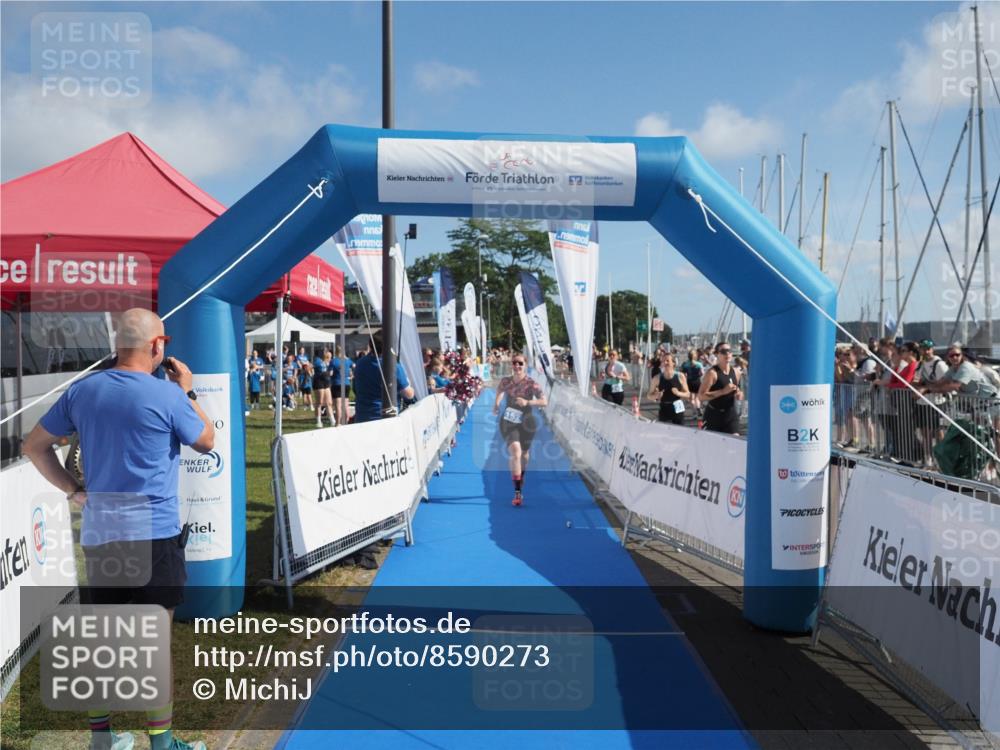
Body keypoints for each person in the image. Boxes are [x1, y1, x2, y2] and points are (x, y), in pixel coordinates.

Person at [22, 308, 214, 750]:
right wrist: (188, 391)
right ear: (157, 346)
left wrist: (74, 491)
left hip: (102, 533)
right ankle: (162, 744)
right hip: (155, 534)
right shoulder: (167, 396)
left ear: (117, 344)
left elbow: (33, 446)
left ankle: (102, 740)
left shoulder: (83, 390)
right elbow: (206, 440)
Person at [493, 353, 547, 507]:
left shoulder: (531, 383)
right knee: (515, 452)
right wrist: (496, 404)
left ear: (525, 365)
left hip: (527, 422)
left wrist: (527, 401)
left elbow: (544, 401)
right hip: (509, 422)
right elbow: (499, 391)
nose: (517, 366)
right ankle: (517, 492)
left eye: (520, 363)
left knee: (524, 454)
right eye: (514, 363)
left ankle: (520, 475)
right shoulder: (506, 381)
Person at [352, 331, 415, 423]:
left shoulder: (360, 363)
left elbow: (355, 388)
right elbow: (409, 394)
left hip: (362, 416)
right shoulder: (393, 366)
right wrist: (409, 383)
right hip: (384, 419)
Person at [698, 342, 743, 434]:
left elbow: (737, 390)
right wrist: (723, 391)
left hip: (730, 414)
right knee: (712, 447)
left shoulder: (736, 372)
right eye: (723, 351)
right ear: (716, 354)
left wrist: (739, 394)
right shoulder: (712, 373)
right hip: (713, 415)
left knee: (735, 442)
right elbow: (701, 396)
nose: (727, 354)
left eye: (729, 351)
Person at [648, 352, 690, 425]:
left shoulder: (680, 376)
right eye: (663, 361)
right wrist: (656, 396)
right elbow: (649, 395)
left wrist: (678, 393)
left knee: (679, 432)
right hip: (664, 408)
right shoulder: (657, 378)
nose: (665, 363)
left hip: (678, 408)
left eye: (667, 360)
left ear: (673, 363)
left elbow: (688, 394)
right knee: (664, 433)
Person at [331, 344, 355, 426]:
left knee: (338, 405)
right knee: (345, 404)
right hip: (346, 383)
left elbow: (330, 373)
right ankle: (346, 421)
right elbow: (354, 366)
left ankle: (338, 423)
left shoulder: (334, 361)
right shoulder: (348, 361)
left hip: (337, 383)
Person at [312, 349, 335, 428]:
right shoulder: (318, 361)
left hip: (326, 382)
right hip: (319, 382)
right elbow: (309, 367)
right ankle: (318, 421)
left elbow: (330, 371)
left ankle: (332, 420)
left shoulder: (328, 360)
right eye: (325, 351)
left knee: (329, 402)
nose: (326, 353)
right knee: (319, 402)